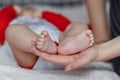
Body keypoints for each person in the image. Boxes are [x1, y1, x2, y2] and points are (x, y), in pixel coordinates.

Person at [30, 0, 120, 75]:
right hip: (114, 48)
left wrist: (42, 14)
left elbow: (60, 20)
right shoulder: (18, 19)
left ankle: (68, 42)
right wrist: (101, 43)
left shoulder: (36, 17)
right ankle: (67, 42)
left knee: (78, 26)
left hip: (52, 37)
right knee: (80, 26)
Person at [5, 5, 94, 70]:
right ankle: (40, 44)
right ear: (18, 15)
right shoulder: (15, 21)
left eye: (32, 12)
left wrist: (45, 15)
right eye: (25, 11)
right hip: (32, 53)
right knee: (12, 30)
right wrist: (11, 10)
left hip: (60, 44)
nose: (30, 14)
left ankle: (70, 42)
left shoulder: (44, 20)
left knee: (77, 25)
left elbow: (63, 22)